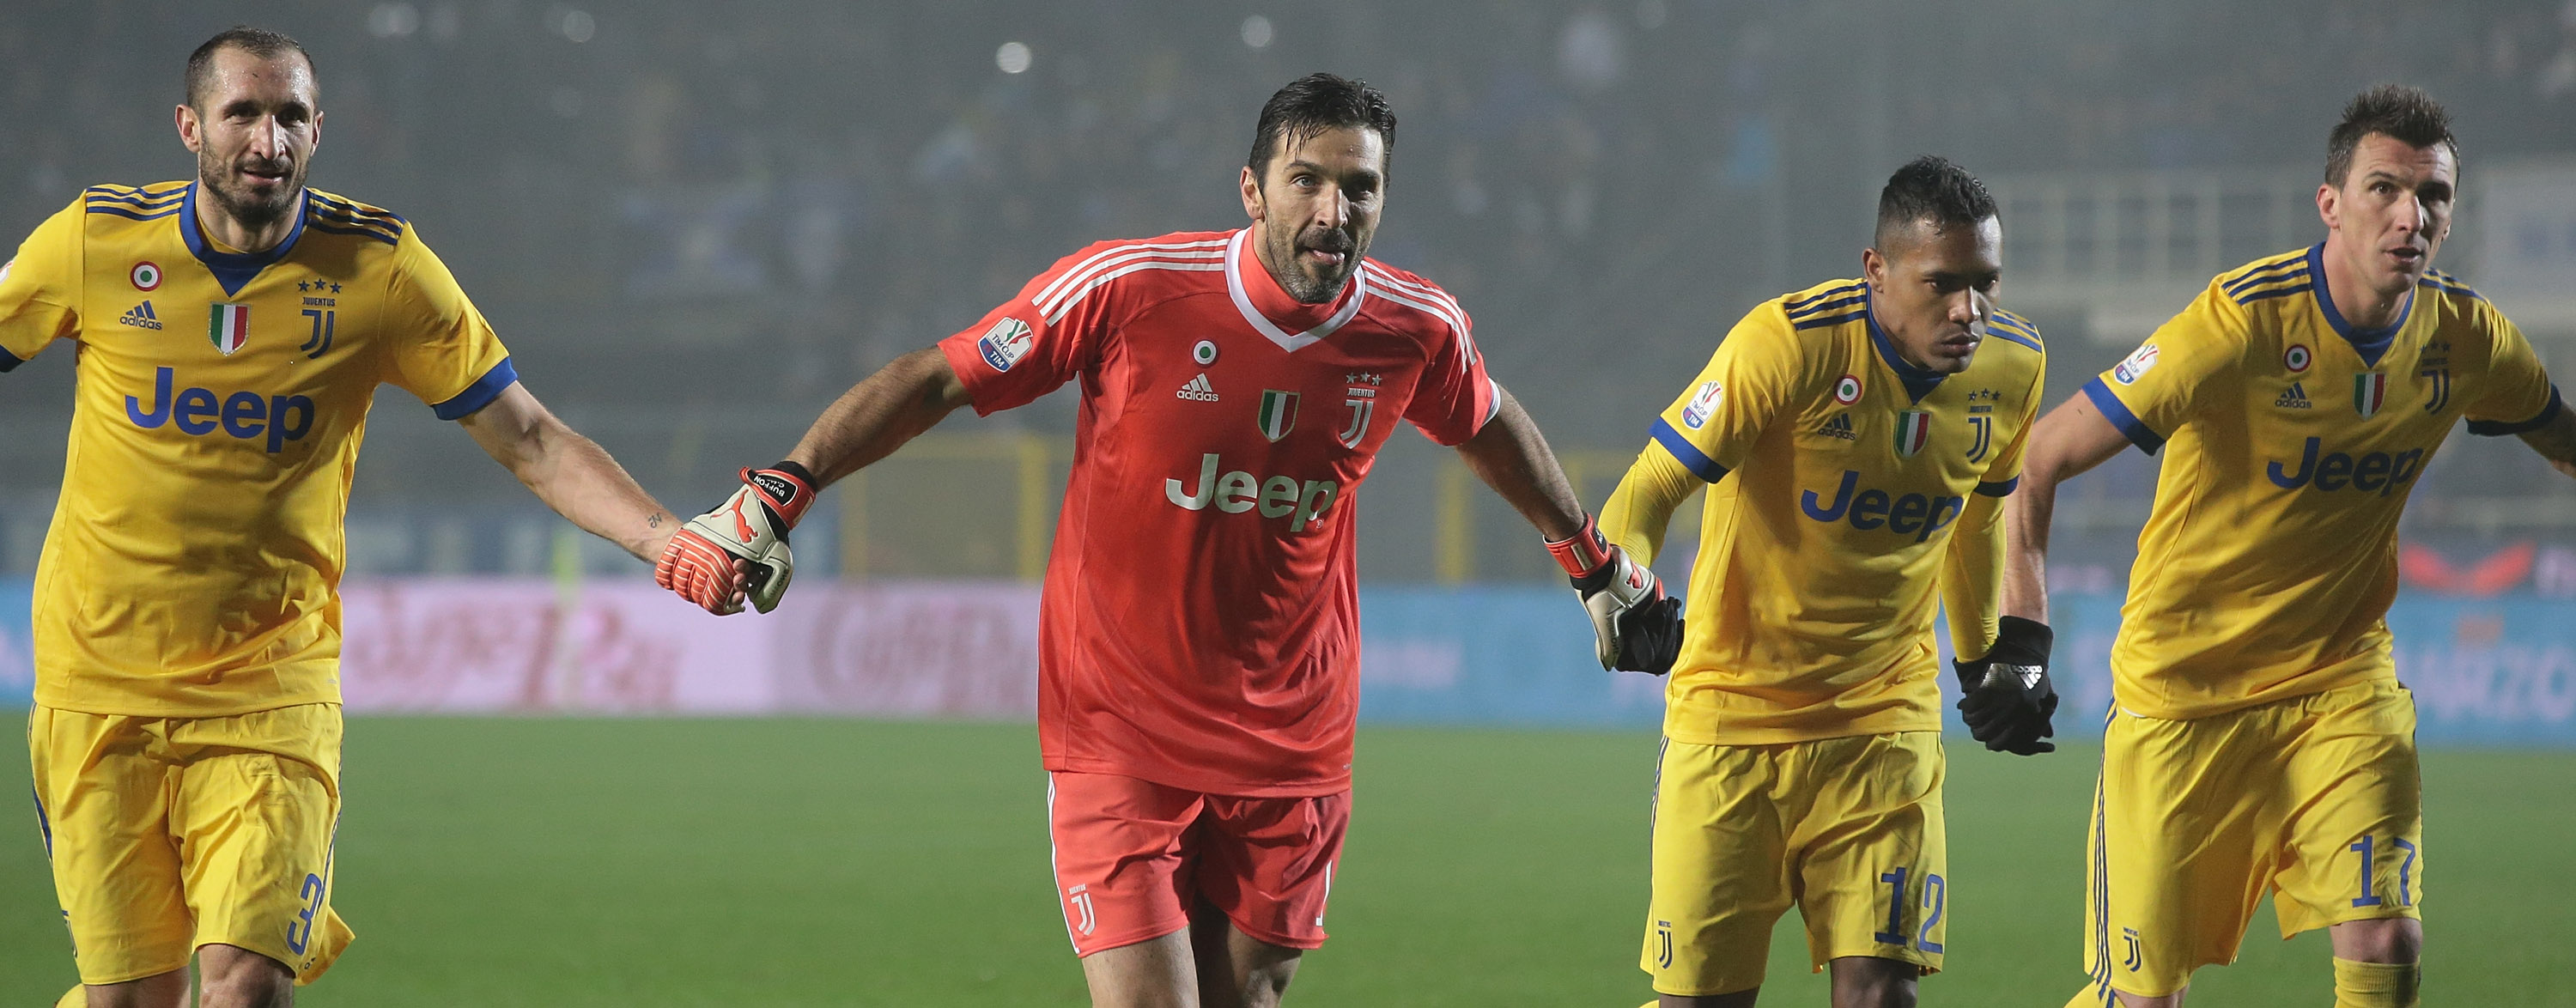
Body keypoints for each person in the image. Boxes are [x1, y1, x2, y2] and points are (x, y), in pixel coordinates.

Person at [651, 72, 1680, 1008]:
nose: (1334, 212)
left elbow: (1485, 420)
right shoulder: (1128, 288)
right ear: (1252, 189)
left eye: (1359, 188)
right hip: (1119, 727)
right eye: (1307, 180)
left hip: (1295, 744)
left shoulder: (1416, 327)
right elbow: (940, 376)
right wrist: (785, 488)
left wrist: (1587, 559)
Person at [3, 28, 691, 1008]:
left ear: (319, 130)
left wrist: (666, 540)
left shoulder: (381, 269)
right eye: (243, 112)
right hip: (91, 684)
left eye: (289, 117)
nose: (267, 139)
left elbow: (530, 437)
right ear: (191, 126)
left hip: (268, 689)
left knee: (244, 986)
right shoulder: (93, 241)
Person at [2004, 86, 2576, 1008]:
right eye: (2384, 188)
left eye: (2433, 196)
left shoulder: (2467, 340)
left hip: (2339, 684)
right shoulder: (2240, 323)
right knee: (2144, 998)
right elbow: (2041, 456)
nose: (2410, 215)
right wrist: (2023, 641)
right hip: (2181, 695)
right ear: (2330, 205)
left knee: (2387, 933)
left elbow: (2564, 441)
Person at [1599, 156, 2055, 1008]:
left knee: (1884, 995)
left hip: (1884, 725)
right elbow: (1649, 486)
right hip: (1732, 721)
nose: (1969, 310)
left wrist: (1984, 663)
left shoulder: (2015, 365)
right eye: (1942, 283)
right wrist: (1620, 587)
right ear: (1875, 270)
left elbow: (1980, 519)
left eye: (1985, 283)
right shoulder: (1789, 344)